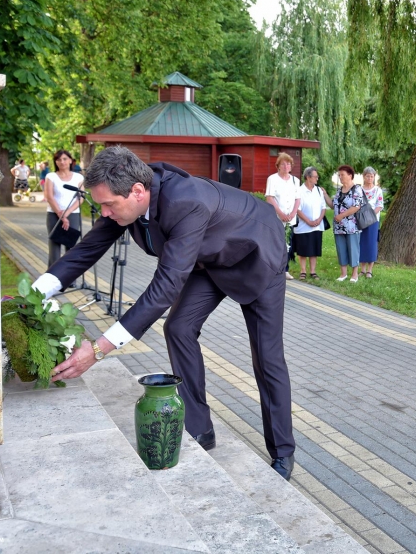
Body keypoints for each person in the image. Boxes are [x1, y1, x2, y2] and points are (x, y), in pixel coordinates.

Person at [33, 146, 296, 480]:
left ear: (138, 192)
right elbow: (86, 251)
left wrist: (98, 349)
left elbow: (164, 289)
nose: (105, 212)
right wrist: (31, 296)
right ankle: (200, 429)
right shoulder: (126, 199)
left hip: (257, 258)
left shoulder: (185, 202)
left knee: (267, 358)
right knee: (179, 328)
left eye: (109, 205)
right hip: (208, 260)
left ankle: (283, 452)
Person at [44, 150, 85, 267]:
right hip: (53, 214)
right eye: (59, 159)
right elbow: (49, 197)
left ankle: (69, 278)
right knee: (54, 245)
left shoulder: (78, 177)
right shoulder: (51, 176)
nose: (62, 162)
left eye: (65, 159)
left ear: (70, 160)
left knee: (71, 246)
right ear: (55, 162)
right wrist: (60, 214)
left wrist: (67, 213)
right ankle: (52, 277)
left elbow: (80, 198)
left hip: (73, 214)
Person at [265, 153, 300, 280]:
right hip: (276, 218)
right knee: (275, 243)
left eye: (288, 164)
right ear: (278, 166)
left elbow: (297, 199)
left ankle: (285, 270)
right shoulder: (272, 179)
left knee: (288, 244)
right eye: (283, 164)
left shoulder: (295, 181)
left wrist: (292, 213)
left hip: (290, 219)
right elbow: (269, 197)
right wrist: (280, 213)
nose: (286, 166)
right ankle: (273, 269)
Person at [294, 166, 332, 280]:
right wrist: (308, 221)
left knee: (314, 249)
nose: (317, 178)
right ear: (308, 177)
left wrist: (319, 219)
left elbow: (323, 206)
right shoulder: (299, 191)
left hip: (317, 225)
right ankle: (303, 271)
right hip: (303, 225)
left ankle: (313, 271)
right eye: (315, 176)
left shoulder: (319, 190)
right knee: (303, 249)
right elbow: (297, 209)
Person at [333, 165, 365, 282]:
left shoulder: (357, 189)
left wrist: (341, 215)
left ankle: (355, 274)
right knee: (341, 249)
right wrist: (325, 194)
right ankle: (343, 274)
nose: (340, 177)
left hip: (352, 226)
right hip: (338, 226)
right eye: (339, 175)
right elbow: (333, 205)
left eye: (342, 175)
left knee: (353, 248)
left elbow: (356, 206)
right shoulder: (339, 190)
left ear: (350, 176)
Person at [359, 167, 384, 278]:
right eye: (367, 176)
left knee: (372, 244)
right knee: (362, 243)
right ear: (364, 176)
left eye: (372, 176)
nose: (370, 178)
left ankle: (370, 270)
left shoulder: (378, 190)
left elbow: (380, 205)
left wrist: (371, 216)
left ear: (374, 177)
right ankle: (362, 269)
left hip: (373, 221)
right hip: (361, 220)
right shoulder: (359, 189)